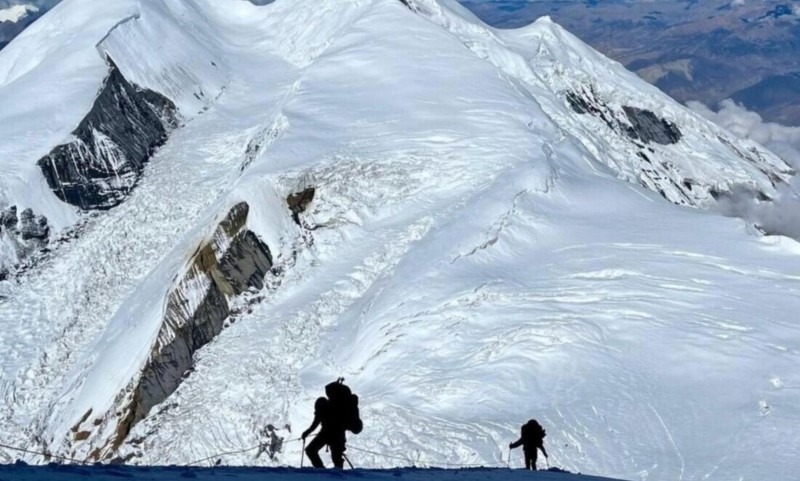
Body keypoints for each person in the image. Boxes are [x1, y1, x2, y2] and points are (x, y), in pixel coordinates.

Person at [302, 379, 362, 469]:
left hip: (325, 434)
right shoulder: (344, 405)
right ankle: (337, 475)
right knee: (336, 458)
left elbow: (316, 422)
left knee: (311, 450)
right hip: (338, 436)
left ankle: (321, 470)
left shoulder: (324, 404)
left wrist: (307, 432)